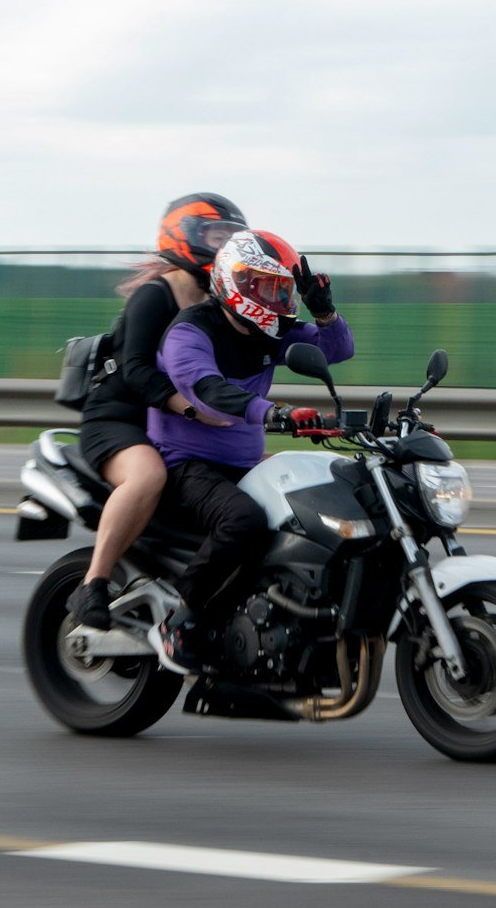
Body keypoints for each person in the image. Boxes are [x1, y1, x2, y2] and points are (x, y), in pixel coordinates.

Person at [147, 228, 355, 673]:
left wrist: (323, 310)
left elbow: (338, 349)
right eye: (268, 287)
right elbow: (208, 391)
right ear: (235, 281)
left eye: (283, 289)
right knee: (243, 519)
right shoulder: (190, 332)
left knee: (310, 513)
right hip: (188, 464)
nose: (278, 300)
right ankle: (180, 616)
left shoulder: (270, 330)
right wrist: (272, 413)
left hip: (241, 465)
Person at [66, 193, 248, 630]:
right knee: (148, 475)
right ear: (183, 237)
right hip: (120, 420)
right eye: (215, 235)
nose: (224, 246)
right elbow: (136, 372)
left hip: (171, 424)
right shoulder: (155, 295)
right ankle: (93, 583)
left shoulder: (219, 305)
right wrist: (191, 410)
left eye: (231, 239)